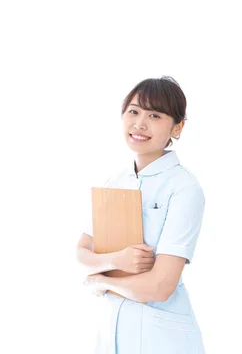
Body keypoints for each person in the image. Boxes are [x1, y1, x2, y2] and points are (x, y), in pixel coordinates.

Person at [77, 76, 206, 354]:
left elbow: (160, 286)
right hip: (111, 328)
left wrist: (102, 280)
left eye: (155, 115)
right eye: (133, 111)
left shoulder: (183, 188)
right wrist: (116, 260)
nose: (139, 123)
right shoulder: (114, 182)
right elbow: (82, 251)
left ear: (178, 127)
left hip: (162, 337)